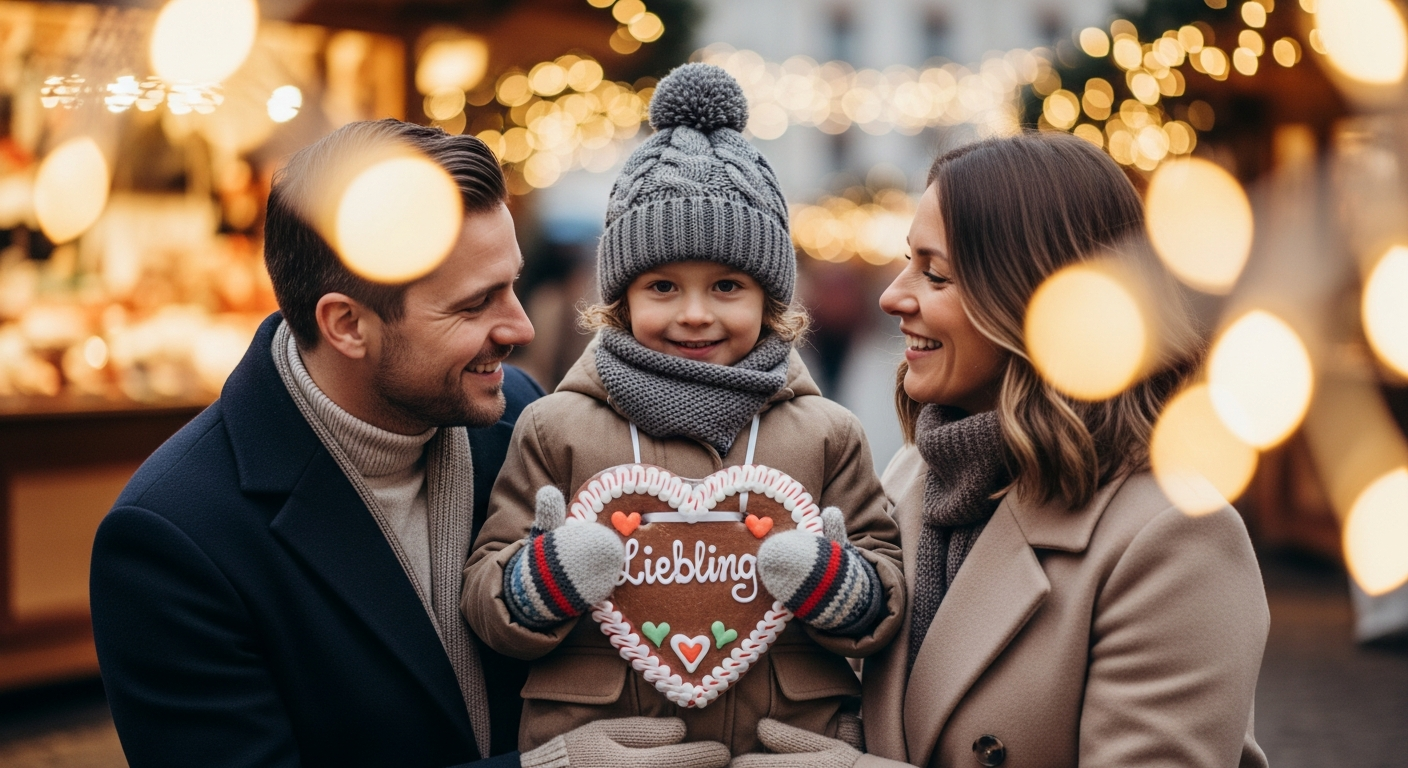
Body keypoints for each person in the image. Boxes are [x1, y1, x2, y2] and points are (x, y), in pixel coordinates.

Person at [89, 120, 727, 768]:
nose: (521, 325)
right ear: (347, 325)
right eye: (476, 304)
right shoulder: (174, 539)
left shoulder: (526, 421)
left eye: (513, 284)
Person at [461, 64, 906, 759]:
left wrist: (833, 582)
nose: (695, 315)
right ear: (620, 299)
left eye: (726, 286)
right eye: (663, 286)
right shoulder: (557, 428)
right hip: (601, 747)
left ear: (770, 300)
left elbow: (887, 597)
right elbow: (486, 599)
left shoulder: (827, 436)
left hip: (782, 747)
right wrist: (547, 574)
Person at [853, 134, 1268, 768]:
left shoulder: (1174, 539)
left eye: (935, 274)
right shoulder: (911, 479)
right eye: (909, 261)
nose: (894, 296)